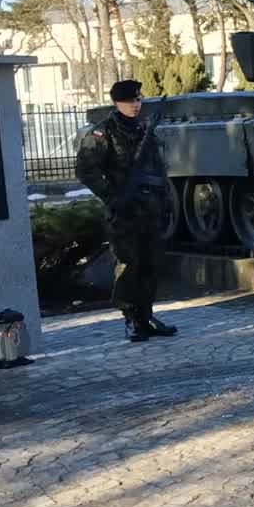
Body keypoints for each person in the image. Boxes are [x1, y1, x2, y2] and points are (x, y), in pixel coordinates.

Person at [75, 79, 178, 343]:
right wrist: (112, 196)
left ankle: (146, 315)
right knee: (129, 265)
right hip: (124, 211)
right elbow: (85, 170)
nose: (135, 105)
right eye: (130, 101)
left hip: (150, 209)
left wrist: (165, 200)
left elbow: (158, 168)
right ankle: (131, 318)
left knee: (151, 264)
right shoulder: (103, 133)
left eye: (138, 100)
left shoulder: (144, 129)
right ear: (116, 103)